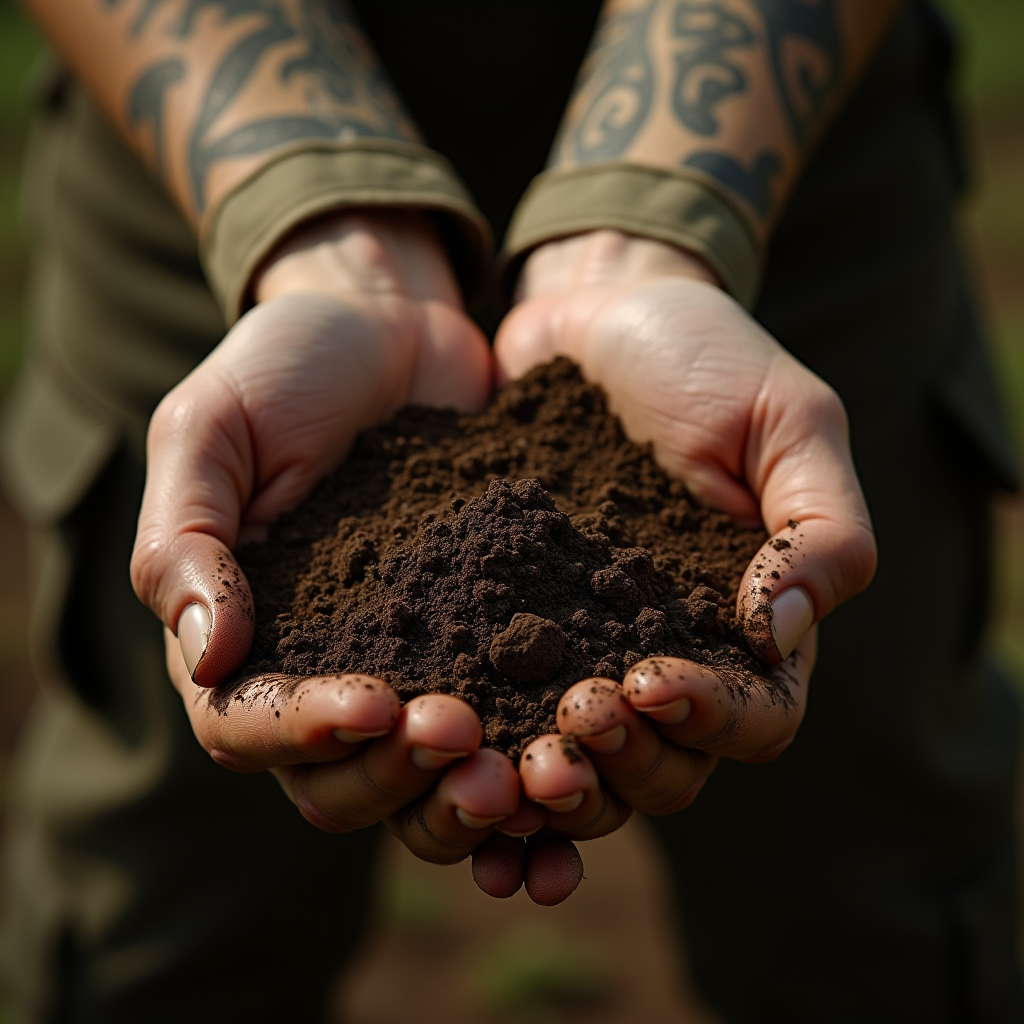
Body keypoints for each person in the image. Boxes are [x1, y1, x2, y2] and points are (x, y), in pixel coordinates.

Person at [0, 1, 1020, 1020]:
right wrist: (316, 220)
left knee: (873, 915)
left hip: (777, 143)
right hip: (204, 138)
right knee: (157, 927)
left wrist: (646, 223)